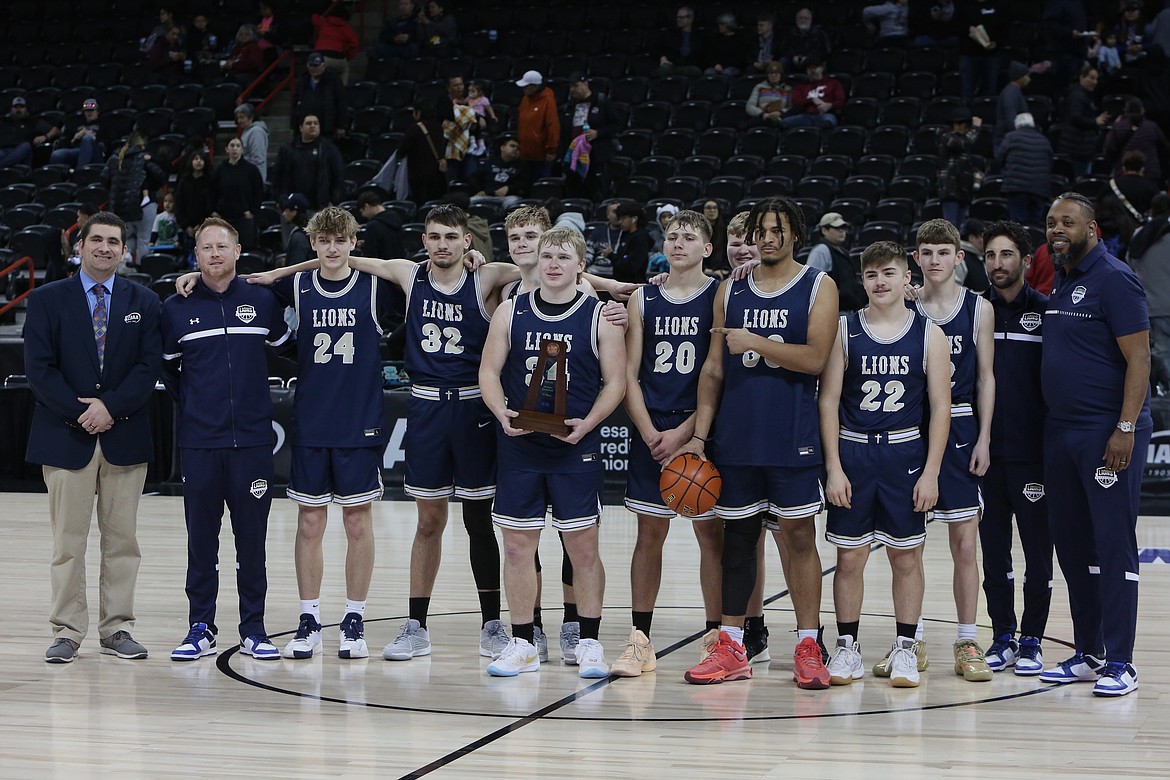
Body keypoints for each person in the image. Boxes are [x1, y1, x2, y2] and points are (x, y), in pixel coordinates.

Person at [677, 197, 838, 687]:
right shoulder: (731, 289)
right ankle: (732, 644)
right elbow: (712, 368)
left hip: (793, 437)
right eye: (760, 231)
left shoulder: (818, 286)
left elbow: (814, 359)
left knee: (797, 538)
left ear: (795, 235)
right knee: (738, 541)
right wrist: (700, 436)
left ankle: (809, 644)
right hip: (736, 436)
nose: (767, 238)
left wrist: (757, 342)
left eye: (777, 230)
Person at [480, 226, 627, 678]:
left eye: (564, 257)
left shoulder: (600, 315)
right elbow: (488, 370)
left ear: (581, 265)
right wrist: (500, 412)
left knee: (583, 549)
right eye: (547, 256)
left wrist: (589, 424)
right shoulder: (511, 309)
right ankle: (523, 641)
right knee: (519, 547)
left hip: (573, 447)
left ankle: (588, 641)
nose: (554, 264)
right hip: (521, 444)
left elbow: (616, 383)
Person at [24, 211, 162, 663]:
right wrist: (84, 413)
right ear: (78, 246)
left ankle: (117, 628)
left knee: (122, 541)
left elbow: (148, 368)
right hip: (66, 437)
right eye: (96, 240)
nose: (105, 247)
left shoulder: (145, 300)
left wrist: (111, 409)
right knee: (68, 543)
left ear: (126, 251)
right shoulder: (47, 299)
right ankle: (67, 631)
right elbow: (39, 370)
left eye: (114, 242)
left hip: (123, 436)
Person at [266, 207, 398, 660]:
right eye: (324, 240)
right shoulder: (298, 286)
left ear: (353, 242)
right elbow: (240, 286)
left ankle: (355, 617)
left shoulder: (374, 286)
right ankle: (308, 618)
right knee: (309, 523)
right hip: (312, 422)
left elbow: (425, 275)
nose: (333, 248)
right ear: (313, 243)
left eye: (341, 240)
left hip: (358, 422)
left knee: (357, 523)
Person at [820, 240, 951, 688]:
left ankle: (906, 649)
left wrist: (932, 471)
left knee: (906, 557)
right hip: (855, 451)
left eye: (889, 273)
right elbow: (829, 400)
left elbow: (940, 408)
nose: (880, 281)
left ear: (906, 278)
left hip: (905, 454)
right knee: (849, 557)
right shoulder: (844, 330)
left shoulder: (929, 333)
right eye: (872, 274)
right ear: (863, 280)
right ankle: (848, 648)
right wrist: (833, 467)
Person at [161, 218, 292, 663]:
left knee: (251, 541)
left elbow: (288, 348)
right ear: (195, 256)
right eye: (206, 248)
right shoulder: (175, 308)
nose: (214, 254)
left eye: (222, 246)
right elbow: (169, 372)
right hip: (199, 445)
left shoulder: (262, 300)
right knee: (201, 541)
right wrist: (200, 409)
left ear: (238, 252)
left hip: (254, 444)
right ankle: (201, 626)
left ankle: (254, 628)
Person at [1038, 193, 1150, 697]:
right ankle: (1089, 652)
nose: (1056, 229)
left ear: (1092, 228)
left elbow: (1140, 361)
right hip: (1060, 434)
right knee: (1074, 546)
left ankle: (1121, 662)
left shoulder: (1114, 278)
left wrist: (1124, 428)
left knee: (1113, 544)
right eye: (1050, 222)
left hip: (1107, 434)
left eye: (1067, 222)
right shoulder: (1062, 277)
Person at [612, 210, 724, 677]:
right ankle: (640, 640)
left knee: (710, 536)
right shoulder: (643, 297)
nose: (678, 243)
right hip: (652, 430)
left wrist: (686, 433)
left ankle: (716, 635)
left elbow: (721, 373)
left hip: (701, 428)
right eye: (672, 236)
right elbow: (629, 373)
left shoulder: (721, 295)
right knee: (648, 535)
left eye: (689, 237)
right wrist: (647, 431)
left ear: (707, 249)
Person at [900, 218, 995, 683]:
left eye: (944, 252)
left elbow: (985, 378)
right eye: (927, 252)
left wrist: (985, 436)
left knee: (964, 543)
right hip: (909, 425)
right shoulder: (902, 304)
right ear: (915, 259)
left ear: (960, 258)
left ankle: (966, 637)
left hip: (959, 425)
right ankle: (910, 639)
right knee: (909, 545)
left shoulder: (978, 308)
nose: (934, 260)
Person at [978, 220, 1053, 676]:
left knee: (1038, 555)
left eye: (1006, 255)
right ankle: (1002, 635)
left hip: (1034, 457)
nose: (997, 263)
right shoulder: (976, 312)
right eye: (990, 255)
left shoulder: (1047, 311)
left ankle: (1033, 641)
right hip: (985, 458)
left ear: (1025, 261)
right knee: (994, 555)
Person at [102, 132, 166, 265]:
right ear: (142, 144)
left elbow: (103, 179)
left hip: (120, 207)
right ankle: (140, 272)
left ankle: (125, 269)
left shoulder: (114, 157)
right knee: (143, 240)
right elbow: (161, 178)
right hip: (143, 206)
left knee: (127, 239)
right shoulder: (143, 157)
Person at [1128, 193, 1170, 390]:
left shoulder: (1139, 235)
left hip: (1146, 306)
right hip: (1164, 305)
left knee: (1154, 353)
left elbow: (1130, 263)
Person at [559, 73, 623, 201]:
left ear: (585, 84)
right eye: (570, 87)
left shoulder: (601, 101)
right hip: (575, 157)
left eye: (575, 86)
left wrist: (598, 133)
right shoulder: (569, 107)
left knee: (598, 191)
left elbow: (617, 124)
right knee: (575, 192)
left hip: (596, 155)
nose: (572, 90)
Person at [269, 114, 344, 211]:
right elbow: (276, 175)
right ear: (301, 128)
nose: (312, 126)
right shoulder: (287, 149)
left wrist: (333, 200)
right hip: (291, 208)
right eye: (308, 123)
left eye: (316, 123)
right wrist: (279, 199)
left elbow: (339, 176)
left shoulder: (330, 149)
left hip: (320, 207)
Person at [998, 113, 1053, 229]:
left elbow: (1000, 159)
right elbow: (1050, 163)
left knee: (1018, 226)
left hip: (1016, 187)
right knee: (1036, 226)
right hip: (1039, 189)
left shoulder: (1010, 137)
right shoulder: (1044, 140)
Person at [210, 137, 264, 250]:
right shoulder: (219, 170)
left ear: (242, 150)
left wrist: (253, 212)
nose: (235, 148)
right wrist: (213, 211)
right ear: (226, 149)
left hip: (244, 218)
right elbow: (212, 192)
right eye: (232, 145)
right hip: (224, 218)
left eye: (238, 146)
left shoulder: (251, 170)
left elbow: (258, 192)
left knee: (246, 249)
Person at [1057, 63, 1108, 180]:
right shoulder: (1077, 95)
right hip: (1076, 148)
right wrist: (1095, 121)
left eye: (1096, 79)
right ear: (1081, 77)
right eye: (1091, 78)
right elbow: (1076, 117)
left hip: (1081, 146)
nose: (1095, 82)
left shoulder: (1085, 95)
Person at [938, 108, 986, 230]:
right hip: (950, 190)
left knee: (959, 228)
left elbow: (964, 163)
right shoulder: (946, 137)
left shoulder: (962, 141)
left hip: (964, 191)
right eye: (961, 124)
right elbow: (965, 142)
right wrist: (976, 128)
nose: (964, 128)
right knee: (951, 227)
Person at [1104, 98, 1170, 186]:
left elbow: (1109, 149)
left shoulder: (1118, 126)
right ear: (1142, 110)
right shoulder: (1152, 126)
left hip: (1124, 173)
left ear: (1125, 110)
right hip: (1149, 173)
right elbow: (1164, 148)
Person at [398, 100, 448, 206]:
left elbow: (401, 150)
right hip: (437, 175)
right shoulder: (438, 126)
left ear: (419, 112)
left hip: (419, 176)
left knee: (422, 207)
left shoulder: (415, 129)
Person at [515, 70, 560, 180]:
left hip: (541, 155)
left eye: (526, 86)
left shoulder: (548, 100)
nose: (523, 89)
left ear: (534, 86)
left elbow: (553, 125)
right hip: (525, 154)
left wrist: (551, 149)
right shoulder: (525, 99)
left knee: (541, 186)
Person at [294, 53, 348, 139]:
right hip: (305, 130)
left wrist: (341, 126)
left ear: (323, 65)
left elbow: (341, 103)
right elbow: (296, 104)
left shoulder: (334, 80)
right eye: (311, 65)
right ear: (307, 65)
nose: (313, 68)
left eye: (316, 65)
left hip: (327, 129)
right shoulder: (302, 81)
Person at [958, 0, 1004, 102]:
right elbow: (956, 25)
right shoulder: (964, 5)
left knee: (990, 90)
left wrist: (997, 43)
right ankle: (967, 116)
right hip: (969, 54)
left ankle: (987, 115)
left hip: (991, 55)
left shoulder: (998, 5)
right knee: (967, 91)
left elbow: (1004, 27)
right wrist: (968, 28)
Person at [781, 59, 844, 128]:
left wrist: (829, 105)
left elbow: (841, 101)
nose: (812, 71)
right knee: (784, 122)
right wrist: (811, 100)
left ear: (821, 69)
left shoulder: (833, 83)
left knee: (828, 122)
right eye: (809, 68)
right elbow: (796, 102)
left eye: (815, 68)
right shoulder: (800, 86)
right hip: (805, 116)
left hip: (826, 114)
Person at [1, 96, 61, 168]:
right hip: (3, 151)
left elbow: (56, 131)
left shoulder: (32, 122)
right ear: (11, 109)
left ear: (26, 109)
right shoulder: (4, 121)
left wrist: (45, 136)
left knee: (26, 146)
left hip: (22, 152)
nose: (18, 109)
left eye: (21, 107)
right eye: (15, 107)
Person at [175, 151, 214, 259]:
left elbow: (211, 204)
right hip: (188, 228)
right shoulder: (184, 181)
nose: (198, 161)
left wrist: (201, 223)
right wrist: (187, 226)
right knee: (188, 258)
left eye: (201, 159)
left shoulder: (209, 181)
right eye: (195, 159)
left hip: (205, 226)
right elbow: (179, 204)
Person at [472, 135, 527, 208]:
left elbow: (525, 183)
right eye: (512, 146)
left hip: (509, 197)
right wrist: (478, 190)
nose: (515, 149)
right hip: (487, 195)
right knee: (471, 201)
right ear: (502, 147)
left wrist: (509, 188)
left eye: (518, 148)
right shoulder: (490, 162)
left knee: (513, 203)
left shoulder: (522, 166)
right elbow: (474, 177)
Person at [311, 5, 360, 85]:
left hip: (320, 57)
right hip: (338, 57)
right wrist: (348, 57)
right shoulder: (346, 28)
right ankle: (341, 91)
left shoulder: (323, 22)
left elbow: (314, 17)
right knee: (345, 70)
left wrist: (324, 13)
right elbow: (355, 44)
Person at [49, 97, 103, 170]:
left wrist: (92, 137)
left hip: (95, 152)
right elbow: (68, 141)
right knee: (57, 154)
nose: (89, 113)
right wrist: (74, 139)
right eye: (87, 111)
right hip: (77, 150)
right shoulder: (77, 124)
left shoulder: (103, 124)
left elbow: (106, 143)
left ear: (97, 111)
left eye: (91, 110)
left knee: (87, 138)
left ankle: (78, 172)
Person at [611, 200, 653, 283]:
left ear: (634, 219)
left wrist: (611, 256)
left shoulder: (640, 238)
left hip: (633, 285)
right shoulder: (625, 234)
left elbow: (631, 267)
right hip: (620, 283)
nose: (620, 222)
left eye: (623, 218)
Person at [994, 62, 1031, 155]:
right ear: (1020, 77)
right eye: (1027, 76)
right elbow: (1011, 119)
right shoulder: (1010, 93)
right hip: (1007, 140)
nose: (1029, 79)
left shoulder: (1013, 91)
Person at [657, 5, 705, 77]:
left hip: (690, 65)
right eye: (678, 17)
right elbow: (659, 48)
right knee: (664, 69)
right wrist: (662, 57)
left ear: (690, 19)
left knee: (695, 71)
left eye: (682, 17)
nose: (678, 20)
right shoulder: (671, 34)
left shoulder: (698, 36)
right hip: (673, 65)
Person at [356, 190, 405, 260]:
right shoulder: (396, 217)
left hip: (382, 268)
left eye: (362, 212)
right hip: (399, 265)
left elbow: (370, 256)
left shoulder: (373, 226)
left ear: (366, 206)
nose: (363, 215)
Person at [234, 104, 269, 186]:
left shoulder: (256, 132)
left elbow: (257, 158)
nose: (239, 120)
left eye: (242, 117)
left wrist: (256, 180)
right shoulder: (247, 131)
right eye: (238, 118)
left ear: (251, 117)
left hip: (253, 179)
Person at [705, 13, 745, 77]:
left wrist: (724, 66)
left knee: (727, 72)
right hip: (717, 66)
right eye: (719, 24)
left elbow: (739, 58)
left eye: (722, 24)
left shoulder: (739, 39)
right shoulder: (716, 39)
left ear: (730, 24)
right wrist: (715, 64)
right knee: (709, 72)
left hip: (733, 67)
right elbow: (711, 54)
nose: (720, 26)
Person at [702, 199, 728, 275]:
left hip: (722, 270)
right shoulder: (697, 230)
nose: (712, 210)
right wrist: (703, 269)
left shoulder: (725, 230)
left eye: (714, 208)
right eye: (708, 208)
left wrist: (723, 269)